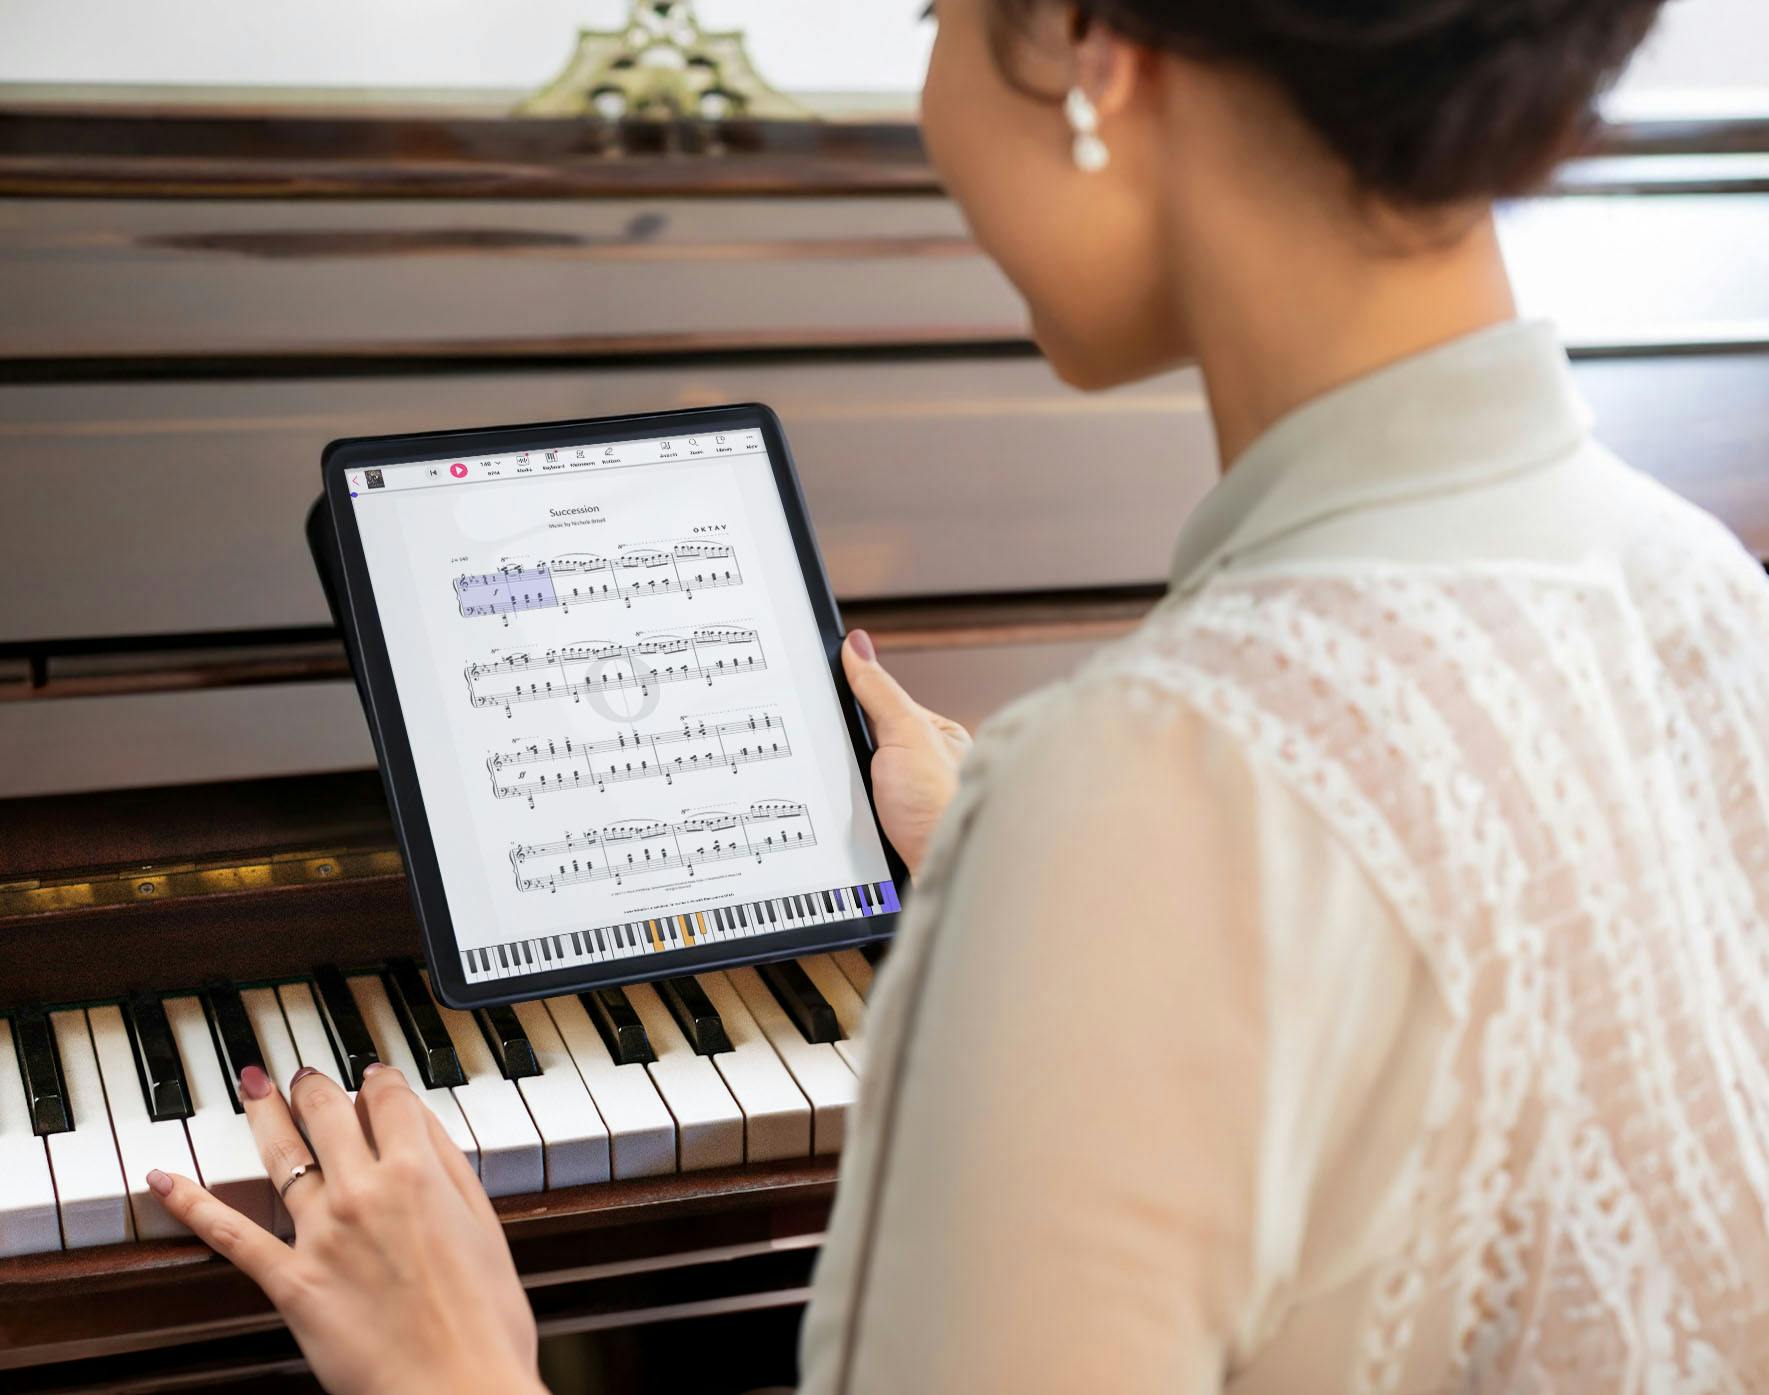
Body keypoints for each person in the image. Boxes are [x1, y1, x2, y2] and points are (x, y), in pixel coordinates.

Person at [148, 0, 1769, 1390]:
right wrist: (1024, 891)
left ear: (1081, 43)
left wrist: (457, 1366)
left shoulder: (1138, 793)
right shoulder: (1704, 594)